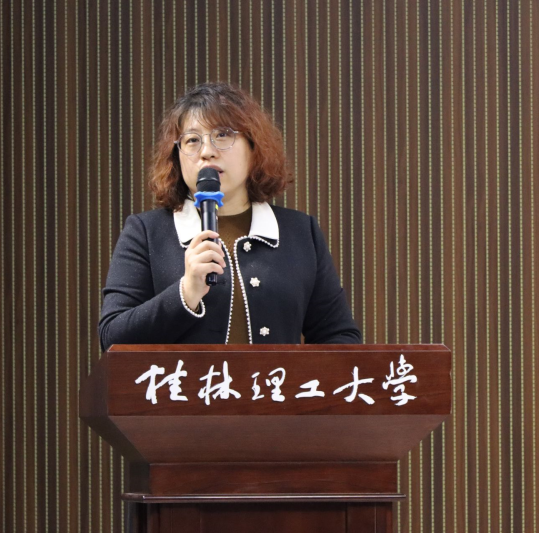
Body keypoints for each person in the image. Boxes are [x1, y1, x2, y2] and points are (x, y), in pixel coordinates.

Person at [98, 82, 361, 351]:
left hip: (274, 382)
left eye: (222, 135)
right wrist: (186, 293)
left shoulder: (299, 232)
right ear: (176, 156)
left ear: (253, 146)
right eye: (192, 140)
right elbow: (112, 337)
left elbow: (339, 336)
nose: (206, 151)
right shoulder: (146, 232)